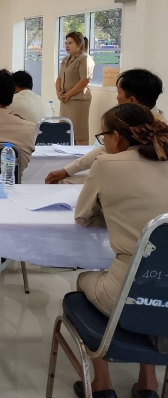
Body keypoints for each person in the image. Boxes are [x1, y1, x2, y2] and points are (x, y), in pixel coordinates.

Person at [73, 103, 168, 398]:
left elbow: (83, 216)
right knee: (155, 282)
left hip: (129, 288)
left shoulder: (106, 165)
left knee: (84, 281)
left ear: (116, 137)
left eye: (103, 136)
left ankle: (102, 384)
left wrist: (116, 214)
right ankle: (149, 383)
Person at [46, 68, 164, 184]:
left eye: (119, 93)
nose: (117, 97)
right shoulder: (149, 123)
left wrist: (66, 174)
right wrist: (66, 171)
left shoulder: (156, 133)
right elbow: (103, 149)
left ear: (132, 100)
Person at [56, 31, 95, 144]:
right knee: (65, 132)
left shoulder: (84, 58)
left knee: (78, 133)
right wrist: (58, 92)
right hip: (65, 100)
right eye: (66, 43)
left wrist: (68, 94)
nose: (67, 46)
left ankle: (81, 154)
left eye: (70, 43)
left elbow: (85, 80)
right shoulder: (65, 59)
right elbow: (59, 78)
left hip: (78, 100)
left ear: (79, 44)